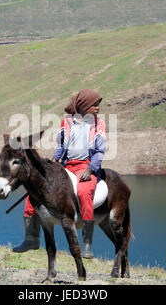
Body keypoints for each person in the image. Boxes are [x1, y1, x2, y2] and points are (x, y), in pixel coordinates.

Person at [13, 89, 107, 259]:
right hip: (66, 166)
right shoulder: (67, 122)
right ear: (84, 105)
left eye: (98, 104)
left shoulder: (99, 123)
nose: (98, 107)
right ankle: (31, 237)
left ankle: (87, 243)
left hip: (86, 166)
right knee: (33, 193)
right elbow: (61, 146)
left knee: (84, 192)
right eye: (94, 104)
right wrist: (55, 159)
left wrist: (90, 169)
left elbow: (100, 151)